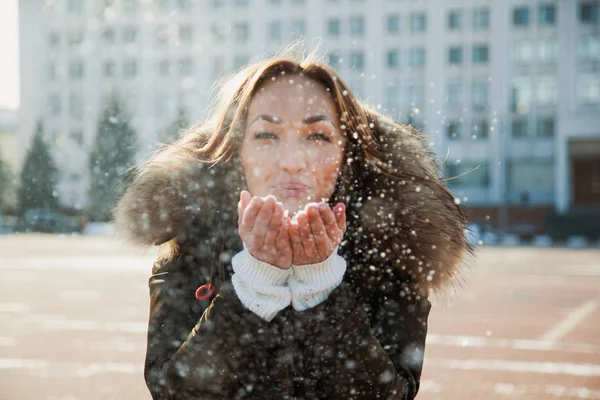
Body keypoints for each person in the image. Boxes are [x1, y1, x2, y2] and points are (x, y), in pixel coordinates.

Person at [114, 50, 470, 399]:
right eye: (266, 135)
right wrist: (254, 284)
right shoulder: (193, 246)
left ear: (346, 154)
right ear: (238, 152)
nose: (292, 162)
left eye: (318, 136)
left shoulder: (392, 251)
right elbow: (174, 392)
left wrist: (322, 287)